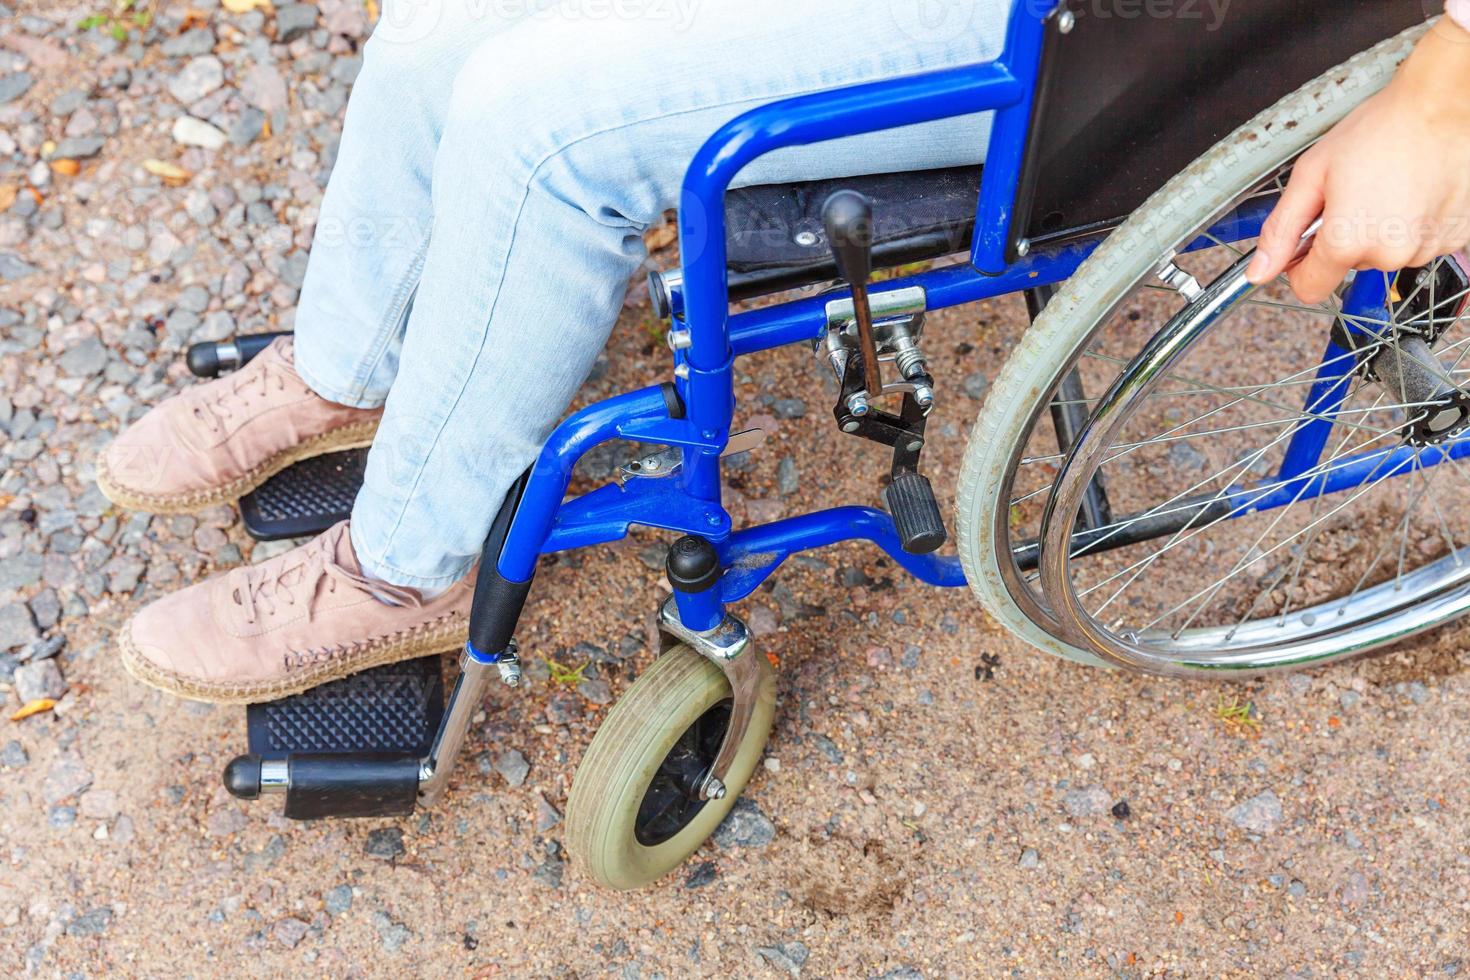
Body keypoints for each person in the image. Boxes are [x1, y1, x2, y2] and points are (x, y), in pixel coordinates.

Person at [97, 1, 1470, 704]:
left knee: (537, 126)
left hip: (1154, 32)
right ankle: (353, 364)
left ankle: (401, 562)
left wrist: (1445, 89)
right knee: (446, 24)